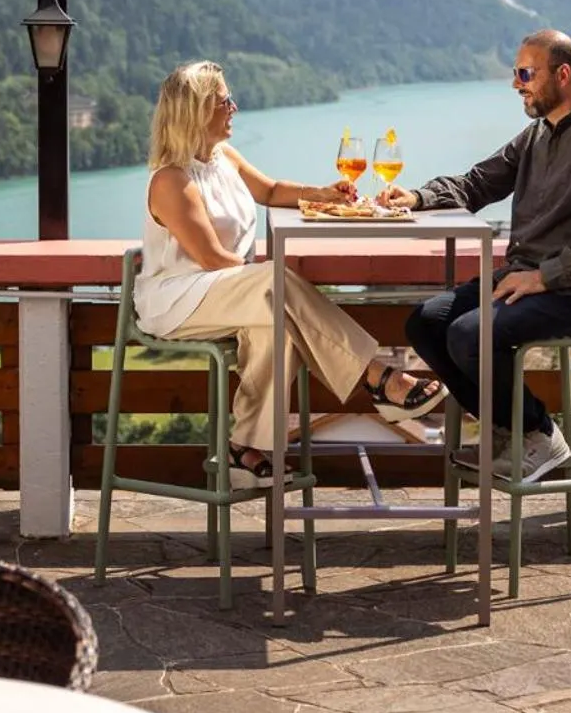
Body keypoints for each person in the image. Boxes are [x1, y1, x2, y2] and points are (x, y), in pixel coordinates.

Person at [136, 60, 449, 489]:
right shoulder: (172, 179)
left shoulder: (222, 157)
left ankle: (245, 452)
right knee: (272, 284)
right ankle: (377, 377)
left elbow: (267, 190)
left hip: (233, 290)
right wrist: (265, 282)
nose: (235, 106)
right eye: (224, 99)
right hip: (180, 299)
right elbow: (211, 259)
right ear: (195, 110)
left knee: (279, 325)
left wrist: (320, 192)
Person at [380, 29, 571, 482]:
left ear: (563, 74)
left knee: (469, 334)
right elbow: (477, 183)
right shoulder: (536, 135)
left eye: (526, 73)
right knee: (426, 321)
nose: (516, 84)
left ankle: (539, 434)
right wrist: (419, 198)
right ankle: (510, 433)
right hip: (526, 277)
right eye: (516, 73)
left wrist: (544, 276)